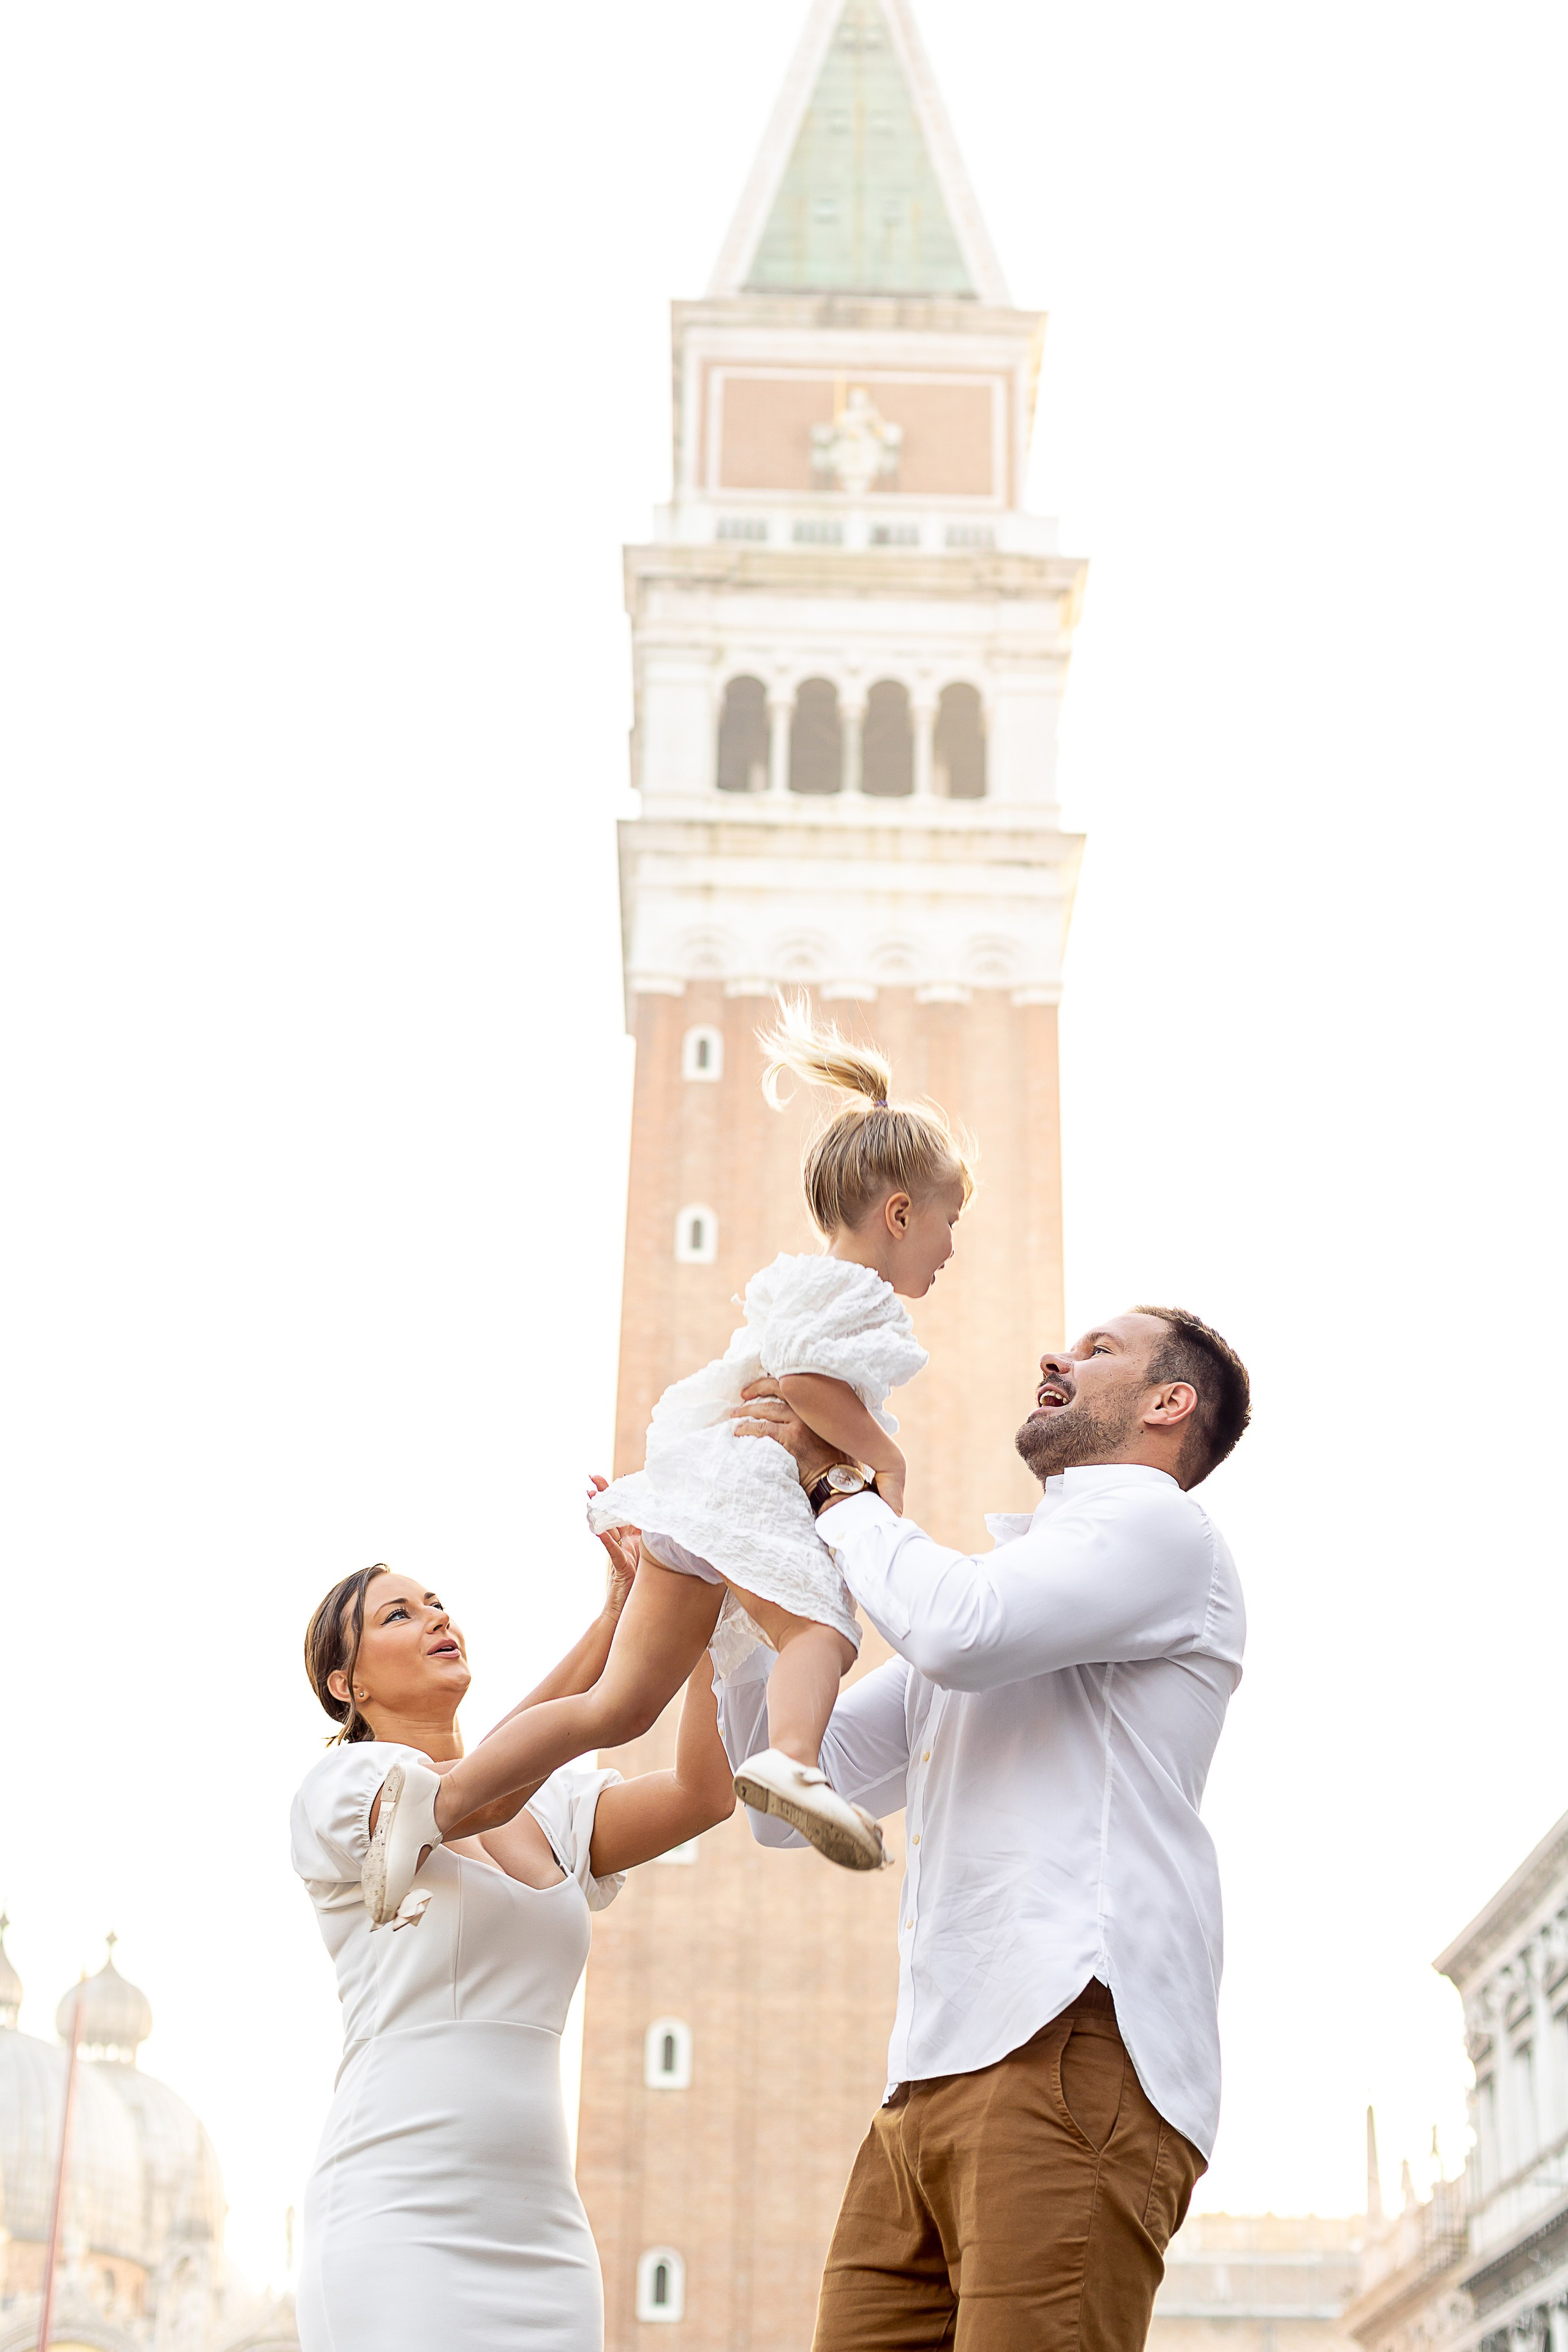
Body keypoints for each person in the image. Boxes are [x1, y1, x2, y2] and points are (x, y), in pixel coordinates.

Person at [722, 1306, 1251, 2352]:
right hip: (926, 2078)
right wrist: (734, 1587)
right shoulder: (1004, 1592)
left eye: (1101, 1350)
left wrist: (839, 1489)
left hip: (1068, 2040)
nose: (1056, 1353)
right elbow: (791, 1791)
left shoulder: (1157, 1527)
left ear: (1167, 1404)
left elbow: (958, 1626)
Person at [410, 1000, 970, 1885]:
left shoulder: (810, 1279)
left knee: (621, 1706)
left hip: (703, 1489)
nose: (951, 1247)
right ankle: (792, 1761)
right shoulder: (861, 1294)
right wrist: (886, 1463)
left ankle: (436, 1807)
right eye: (949, 1222)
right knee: (822, 1630)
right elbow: (799, 1382)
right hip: (747, 1496)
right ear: (899, 1214)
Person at [290, 1506, 734, 2352]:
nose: (436, 1618)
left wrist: (718, 1612)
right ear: (349, 1686)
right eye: (399, 1615)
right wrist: (629, 1648)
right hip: (397, 2216)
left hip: (544, 2235)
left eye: (436, 1602)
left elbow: (702, 1794)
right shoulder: (343, 1789)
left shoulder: (557, 1808)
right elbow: (469, 1796)